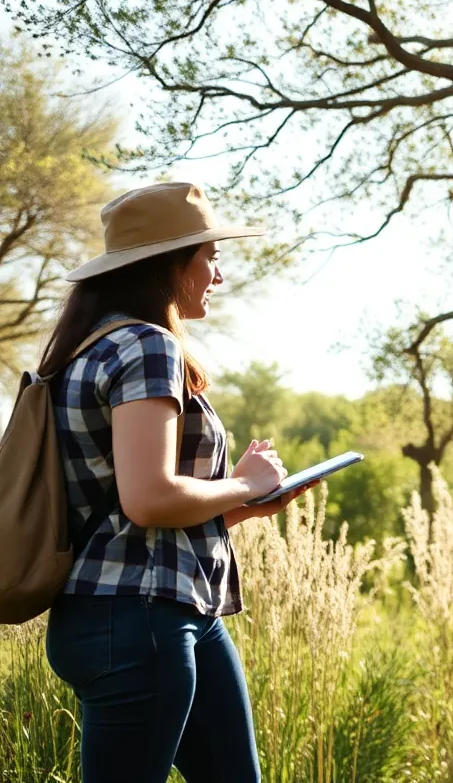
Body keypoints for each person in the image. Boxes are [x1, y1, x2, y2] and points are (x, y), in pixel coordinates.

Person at [42, 182, 313, 782]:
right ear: (170, 264)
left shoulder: (84, 349)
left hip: (160, 611)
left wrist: (245, 507)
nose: (218, 274)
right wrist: (245, 482)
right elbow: (150, 499)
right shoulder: (146, 345)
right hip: (138, 620)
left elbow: (123, 512)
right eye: (210, 257)